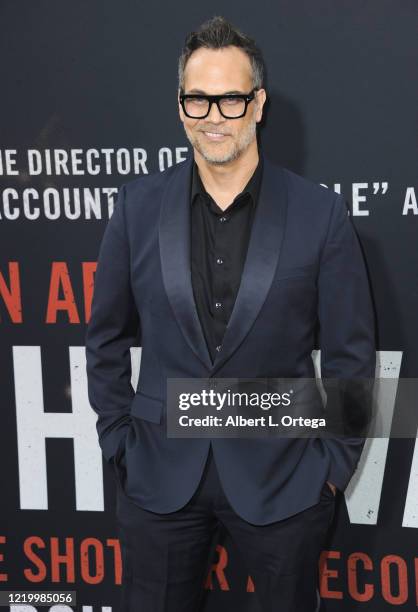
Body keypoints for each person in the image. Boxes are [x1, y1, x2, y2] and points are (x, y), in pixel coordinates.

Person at [85, 15, 376, 612]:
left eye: (231, 99)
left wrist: (330, 469)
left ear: (259, 103)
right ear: (180, 106)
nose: (214, 115)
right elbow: (106, 337)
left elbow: (353, 356)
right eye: (199, 99)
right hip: (159, 477)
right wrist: (119, 439)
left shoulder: (320, 216)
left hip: (284, 481)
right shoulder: (137, 208)